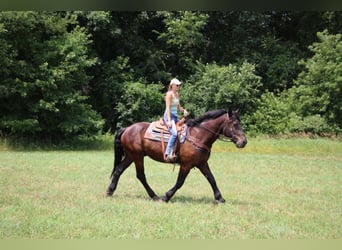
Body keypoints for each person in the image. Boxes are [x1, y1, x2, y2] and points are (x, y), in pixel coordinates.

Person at [163, 78, 188, 162]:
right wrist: (169, 121)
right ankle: (168, 153)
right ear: (172, 85)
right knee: (174, 133)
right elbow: (168, 108)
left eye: (179, 85)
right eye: (177, 85)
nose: (178, 86)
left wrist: (183, 110)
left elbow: (178, 107)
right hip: (168, 116)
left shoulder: (177, 94)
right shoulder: (169, 94)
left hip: (175, 117)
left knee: (185, 129)